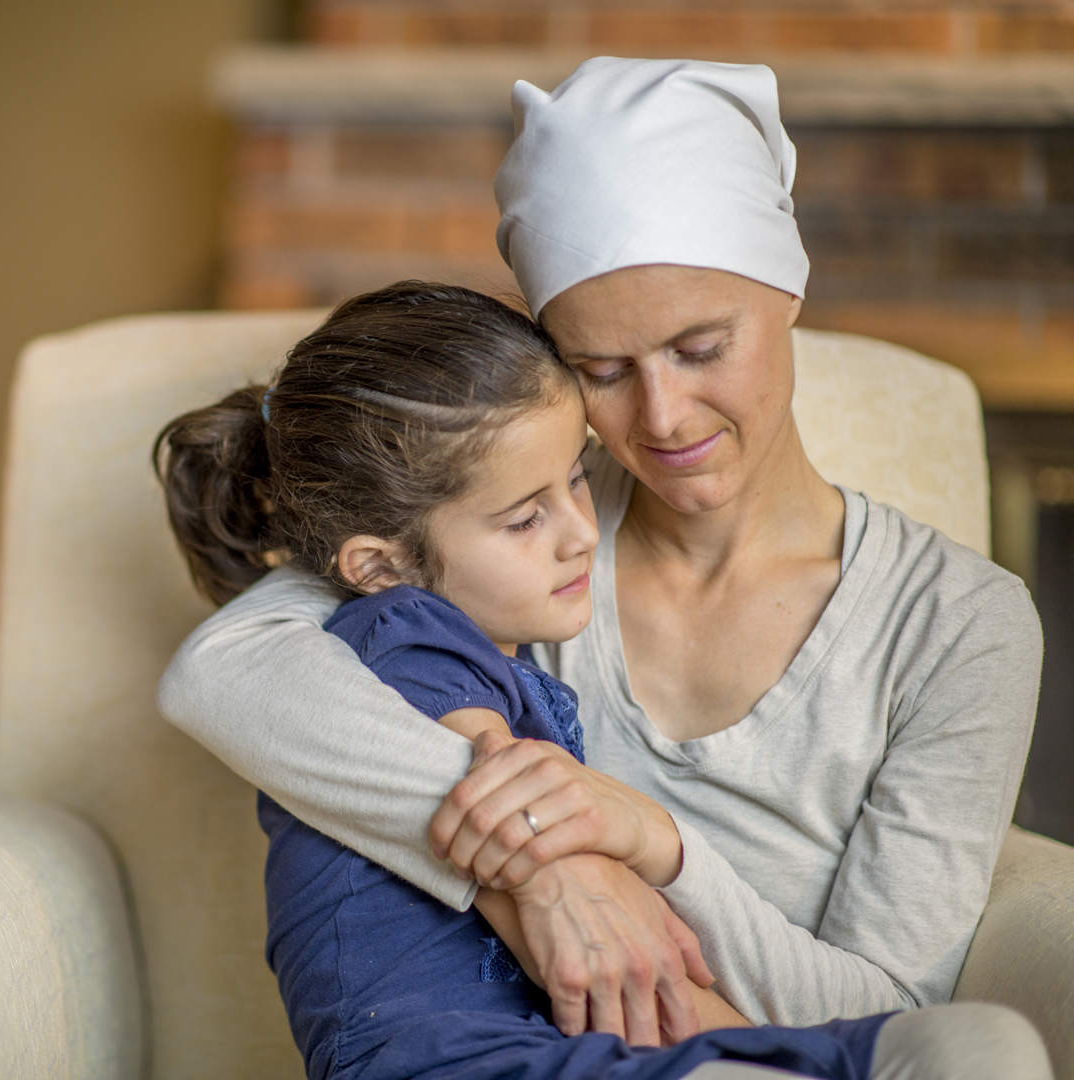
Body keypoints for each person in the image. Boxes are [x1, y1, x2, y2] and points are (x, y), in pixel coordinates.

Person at [157, 58, 1050, 1076]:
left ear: (788, 288)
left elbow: (885, 1003)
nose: (662, 419)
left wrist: (646, 845)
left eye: (702, 348)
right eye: (603, 371)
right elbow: (226, 669)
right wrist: (543, 868)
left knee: (984, 1047)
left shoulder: (959, 623)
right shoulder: (502, 530)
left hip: (755, 1047)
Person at [157, 280, 916, 1080]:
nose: (583, 533)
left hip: (550, 1050)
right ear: (381, 565)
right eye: (525, 520)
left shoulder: (477, 646)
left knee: (947, 1044)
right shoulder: (401, 640)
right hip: (444, 1060)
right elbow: (617, 975)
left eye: (579, 478)